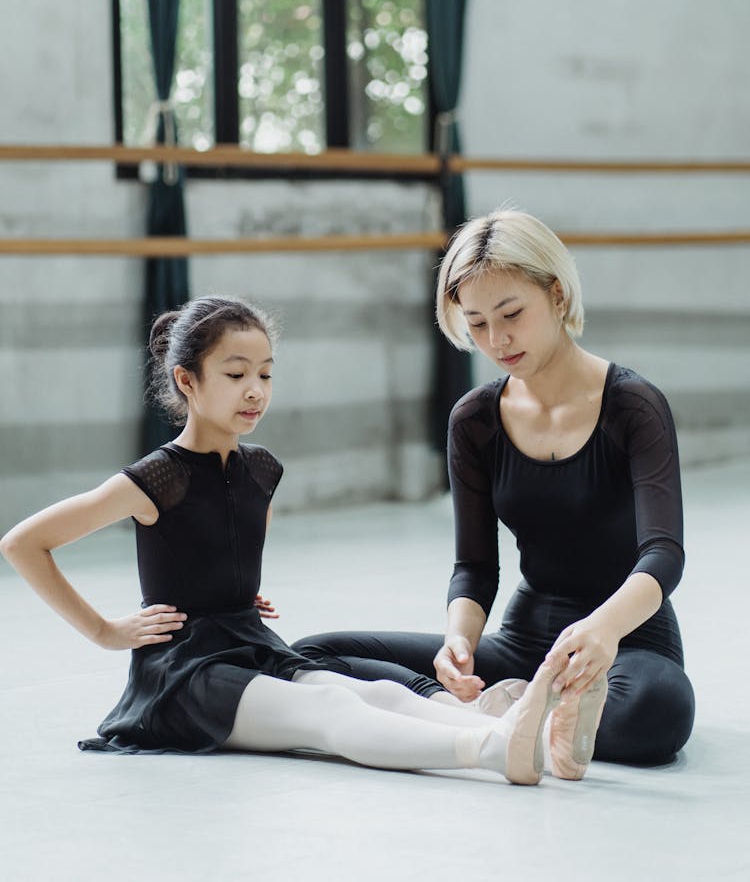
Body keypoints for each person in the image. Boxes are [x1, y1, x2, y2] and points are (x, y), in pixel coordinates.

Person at [1, 293, 593, 786]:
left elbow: (222, 552)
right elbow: (23, 543)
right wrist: (107, 631)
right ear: (187, 380)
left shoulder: (262, 470)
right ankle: (491, 749)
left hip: (249, 643)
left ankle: (532, 736)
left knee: (370, 691)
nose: (255, 390)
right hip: (183, 677)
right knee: (329, 708)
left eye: (264, 374)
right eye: (235, 376)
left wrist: (234, 595)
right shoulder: (159, 476)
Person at [293, 210, 696, 771]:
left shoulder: (633, 405)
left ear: (556, 295)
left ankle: (491, 719)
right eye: (477, 323)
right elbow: (476, 567)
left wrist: (602, 629)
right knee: (313, 654)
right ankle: (503, 715)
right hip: (525, 645)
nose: (497, 340)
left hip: (624, 643)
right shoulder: (475, 419)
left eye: (512, 314)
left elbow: (663, 554)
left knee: (657, 712)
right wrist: (458, 641)